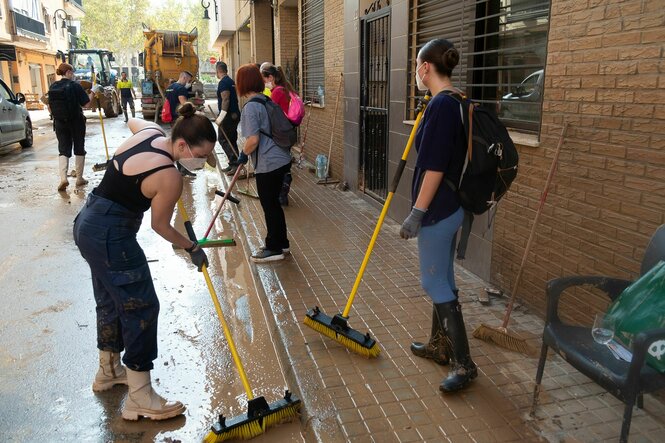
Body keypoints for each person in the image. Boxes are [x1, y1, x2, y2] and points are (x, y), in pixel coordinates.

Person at [73, 103, 215, 421]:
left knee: (111, 301)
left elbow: (133, 120)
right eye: (201, 155)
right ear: (181, 145)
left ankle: (108, 372)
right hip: (112, 234)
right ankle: (140, 396)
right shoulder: (169, 177)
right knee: (141, 306)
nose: (202, 162)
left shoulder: (151, 132)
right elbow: (161, 227)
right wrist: (192, 247)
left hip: (89, 223)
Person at [399, 38, 477, 393]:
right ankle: (438, 346)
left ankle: (465, 365)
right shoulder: (455, 100)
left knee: (434, 283)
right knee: (444, 279)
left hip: (439, 210)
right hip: (452, 206)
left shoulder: (444, 106)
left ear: (426, 67)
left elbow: (433, 167)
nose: (416, 72)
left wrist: (417, 212)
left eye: (417, 65)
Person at [235, 64, 292, 262]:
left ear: (242, 83)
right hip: (281, 158)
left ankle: (274, 247)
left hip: (269, 163)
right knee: (274, 204)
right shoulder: (265, 99)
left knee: (270, 206)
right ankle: (282, 244)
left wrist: (242, 155)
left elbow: (253, 140)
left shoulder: (251, 107)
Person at [48, 63, 94, 191]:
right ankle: (79, 179)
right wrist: (93, 92)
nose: (73, 75)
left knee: (63, 149)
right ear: (68, 72)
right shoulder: (75, 86)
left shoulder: (53, 87)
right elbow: (87, 105)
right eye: (72, 72)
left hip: (59, 123)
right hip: (75, 121)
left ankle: (63, 178)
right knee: (79, 147)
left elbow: (50, 107)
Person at [260, 62, 295, 206]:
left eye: (264, 80)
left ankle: (282, 193)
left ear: (270, 77)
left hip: (279, 133)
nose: (264, 83)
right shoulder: (284, 89)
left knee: (281, 164)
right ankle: (283, 192)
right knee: (284, 160)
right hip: (286, 131)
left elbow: (269, 113)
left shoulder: (277, 92)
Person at [165, 71, 195, 176]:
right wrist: (194, 111)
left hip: (171, 119)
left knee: (177, 143)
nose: (189, 83)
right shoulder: (181, 89)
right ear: (183, 77)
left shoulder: (170, 87)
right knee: (183, 144)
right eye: (188, 80)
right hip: (180, 119)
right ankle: (183, 169)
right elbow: (184, 104)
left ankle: (180, 168)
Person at [215, 61, 241, 176]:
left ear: (218, 71)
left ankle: (235, 163)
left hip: (228, 116)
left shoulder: (223, 83)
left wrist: (221, 117)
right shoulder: (231, 81)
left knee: (222, 139)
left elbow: (225, 99)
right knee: (231, 139)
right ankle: (234, 163)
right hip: (234, 114)